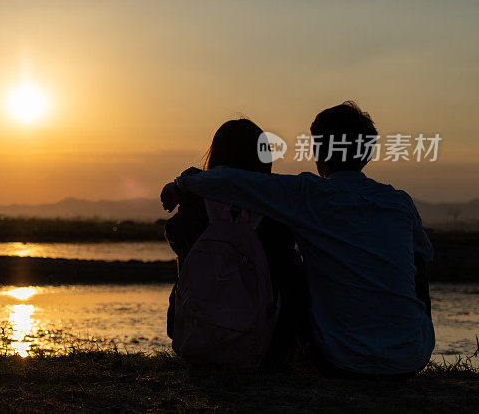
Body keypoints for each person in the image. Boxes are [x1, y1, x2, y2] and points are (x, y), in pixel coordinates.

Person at [161, 102, 434, 378]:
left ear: (320, 151)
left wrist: (181, 184)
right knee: (416, 262)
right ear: (368, 153)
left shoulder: (307, 194)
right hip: (410, 359)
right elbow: (421, 263)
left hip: (341, 359)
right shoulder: (400, 203)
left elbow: (234, 181)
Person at [164, 119, 305, 369]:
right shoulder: (275, 210)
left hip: (193, 339)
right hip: (263, 348)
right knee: (294, 264)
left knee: (188, 258)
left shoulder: (196, 202)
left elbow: (174, 233)